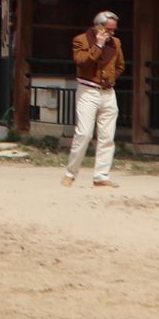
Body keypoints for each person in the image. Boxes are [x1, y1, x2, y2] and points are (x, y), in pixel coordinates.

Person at [63, 11, 126, 189]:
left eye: (114, 30)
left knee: (107, 136)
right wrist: (98, 45)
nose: (112, 33)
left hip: (108, 92)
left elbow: (120, 65)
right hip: (88, 91)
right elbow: (82, 62)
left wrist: (111, 77)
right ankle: (70, 172)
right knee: (84, 134)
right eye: (108, 29)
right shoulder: (81, 40)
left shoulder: (116, 43)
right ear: (98, 26)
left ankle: (101, 176)